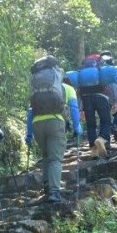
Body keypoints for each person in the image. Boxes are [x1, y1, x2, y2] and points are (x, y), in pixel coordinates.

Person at [25, 74, 82, 204]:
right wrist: (77, 126)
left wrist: (28, 134)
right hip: (55, 122)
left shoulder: (37, 90)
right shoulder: (68, 89)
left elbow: (30, 112)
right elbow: (73, 108)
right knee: (55, 158)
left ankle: (47, 188)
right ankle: (54, 192)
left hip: (37, 124)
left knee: (46, 156)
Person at [78, 54, 112, 158]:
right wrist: (113, 101)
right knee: (106, 121)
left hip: (86, 99)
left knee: (90, 125)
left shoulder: (81, 72)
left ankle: (93, 150)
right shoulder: (100, 69)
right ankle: (101, 139)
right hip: (101, 97)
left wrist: (80, 109)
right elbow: (108, 85)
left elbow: (78, 91)